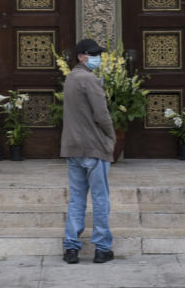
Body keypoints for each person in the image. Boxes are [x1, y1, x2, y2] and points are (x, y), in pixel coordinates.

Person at [60, 38, 116, 264]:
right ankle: (102, 248)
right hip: (93, 148)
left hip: (73, 148)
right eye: (94, 54)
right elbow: (101, 115)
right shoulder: (90, 79)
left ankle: (71, 247)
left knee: (77, 198)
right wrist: (111, 136)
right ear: (82, 56)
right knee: (100, 198)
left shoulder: (71, 78)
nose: (97, 58)